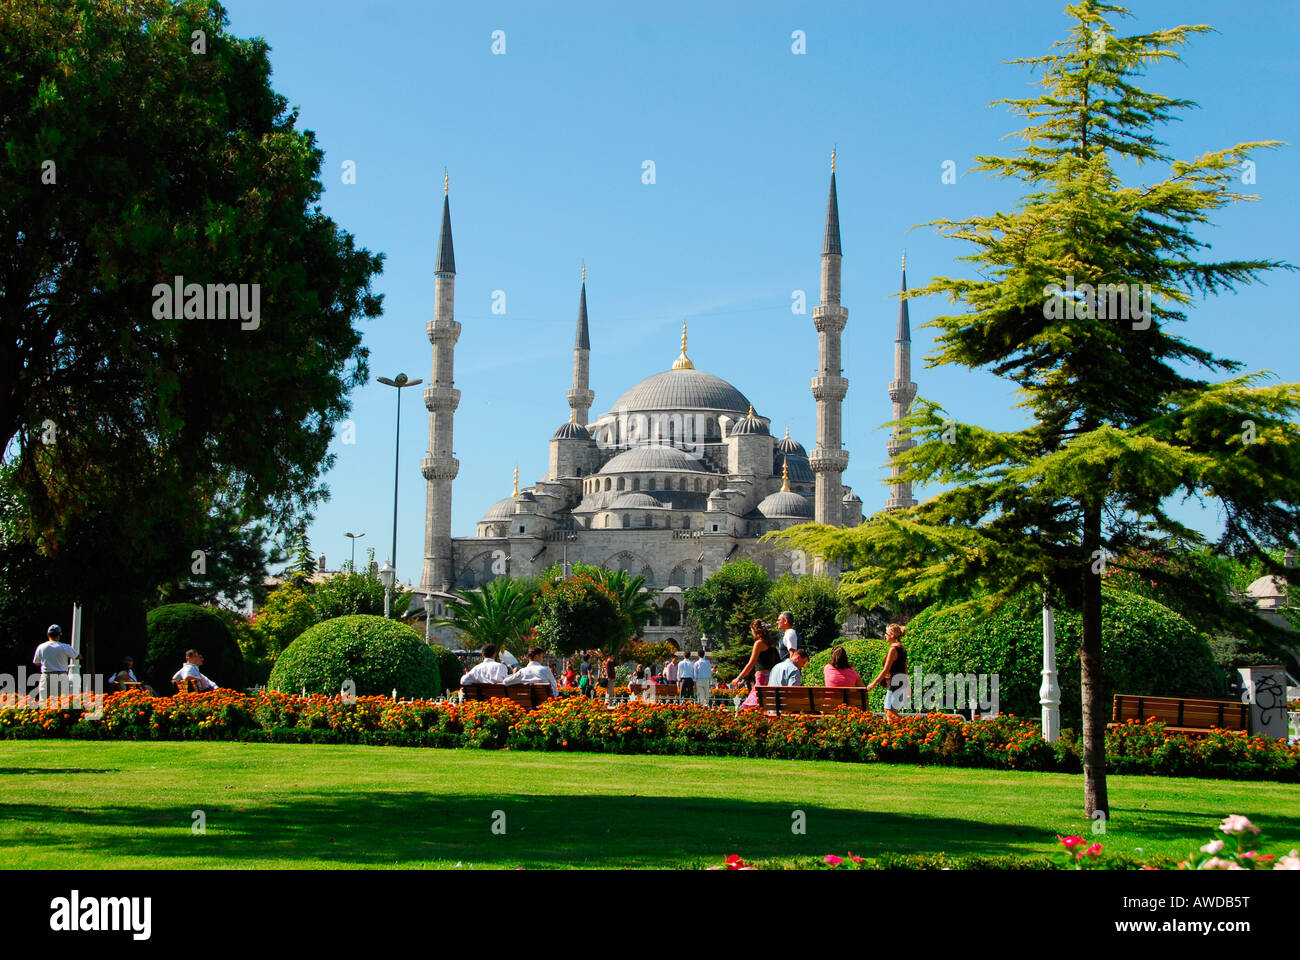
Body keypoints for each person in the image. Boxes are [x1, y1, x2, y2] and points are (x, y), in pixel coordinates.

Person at [732, 620, 780, 710]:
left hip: (761, 680)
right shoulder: (771, 644)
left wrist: (738, 678)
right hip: (771, 678)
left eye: (752, 631)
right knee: (764, 707)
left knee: (748, 707)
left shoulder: (759, 643)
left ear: (755, 631)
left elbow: (751, 663)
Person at [866, 624, 909, 723]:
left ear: (893, 635)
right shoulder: (902, 649)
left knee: (889, 712)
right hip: (900, 683)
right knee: (889, 711)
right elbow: (905, 669)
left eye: (887, 633)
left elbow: (885, 669)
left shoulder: (893, 649)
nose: (885, 635)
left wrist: (873, 683)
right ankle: (897, 732)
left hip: (895, 684)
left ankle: (908, 729)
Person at [32, 624, 81, 706]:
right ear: (59, 635)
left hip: (46, 675)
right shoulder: (65, 647)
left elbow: (36, 663)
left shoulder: (41, 647)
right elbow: (78, 656)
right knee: (62, 702)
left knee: (44, 701)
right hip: (61, 675)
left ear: (48, 635)